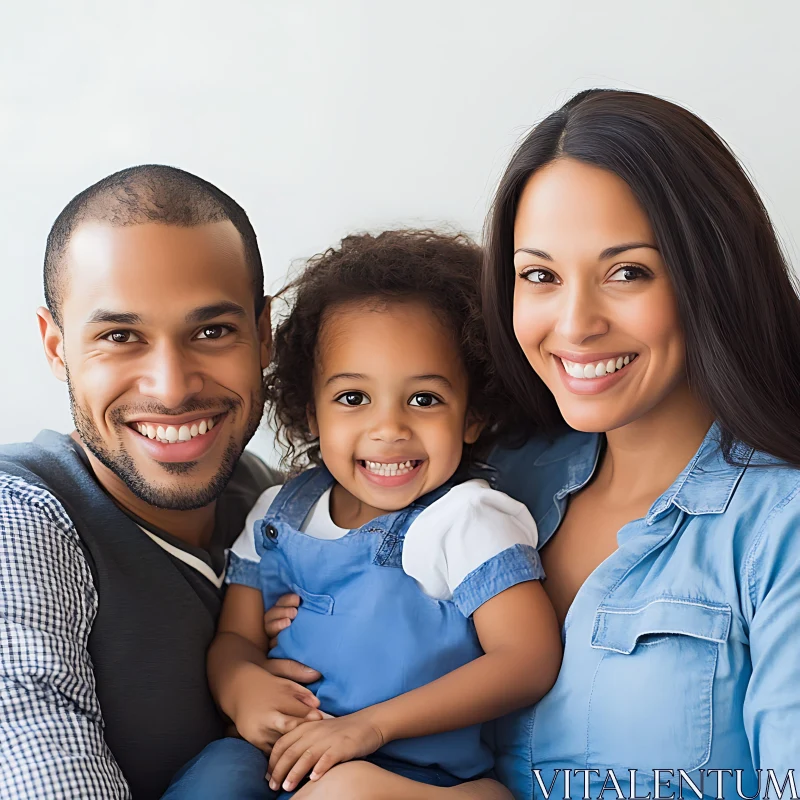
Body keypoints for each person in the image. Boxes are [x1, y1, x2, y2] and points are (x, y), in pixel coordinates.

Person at [268, 90, 800, 799]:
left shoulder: (777, 527)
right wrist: (290, 639)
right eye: (540, 276)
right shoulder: (491, 474)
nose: (574, 324)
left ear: (711, 273)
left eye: (627, 272)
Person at [164, 230, 562, 799]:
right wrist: (242, 686)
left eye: (425, 399)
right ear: (312, 413)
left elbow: (527, 658)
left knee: (346, 792)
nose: (389, 429)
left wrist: (368, 727)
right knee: (213, 776)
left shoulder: (465, 518)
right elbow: (234, 639)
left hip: (416, 778)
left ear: (472, 418)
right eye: (353, 398)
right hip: (288, 765)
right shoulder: (279, 514)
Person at [0, 165, 321, 800]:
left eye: (211, 332)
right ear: (56, 345)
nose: (171, 387)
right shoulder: (23, 516)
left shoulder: (282, 508)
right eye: (120, 337)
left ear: (263, 336)